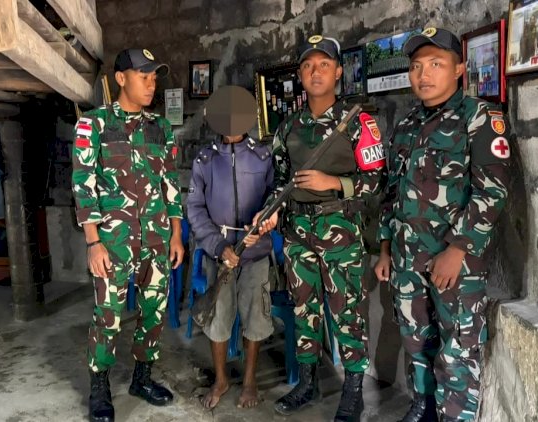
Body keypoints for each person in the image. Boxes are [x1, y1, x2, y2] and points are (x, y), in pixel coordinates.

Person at [374, 28, 511, 422]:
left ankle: (455, 416)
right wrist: (385, 249)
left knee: (457, 349)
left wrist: (457, 249)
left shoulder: (479, 118)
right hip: (406, 258)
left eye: (436, 64)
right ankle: (424, 406)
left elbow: (492, 191)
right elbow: (391, 193)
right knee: (415, 339)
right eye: (417, 66)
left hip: (456, 263)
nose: (424, 74)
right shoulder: (406, 125)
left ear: (459, 69)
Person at [256, 34, 386, 422]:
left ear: (338, 72)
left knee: (348, 312)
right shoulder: (288, 128)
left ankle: (353, 391)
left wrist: (335, 183)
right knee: (304, 310)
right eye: (308, 66)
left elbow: (378, 180)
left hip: (340, 229)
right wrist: (272, 211)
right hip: (297, 231)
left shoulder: (359, 122)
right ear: (300, 74)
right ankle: (308, 382)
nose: (316, 72)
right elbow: (280, 183)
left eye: (324, 65)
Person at [72, 48, 184, 422]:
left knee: (154, 311)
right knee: (108, 316)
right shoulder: (94, 125)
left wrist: (176, 235)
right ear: (121, 78)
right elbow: (83, 185)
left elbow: (171, 184)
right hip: (113, 242)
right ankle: (99, 386)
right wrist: (93, 242)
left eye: (154, 78)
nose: (151, 85)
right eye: (143, 77)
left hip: (156, 239)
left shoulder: (161, 128)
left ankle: (142, 378)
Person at [187, 86, 275, 410]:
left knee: (256, 316)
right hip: (220, 254)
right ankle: (221, 379)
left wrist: (266, 219)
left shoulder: (263, 156)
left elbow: (274, 197)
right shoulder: (205, 159)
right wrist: (218, 246)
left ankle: (249, 380)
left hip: (255, 252)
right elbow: (195, 209)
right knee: (218, 316)